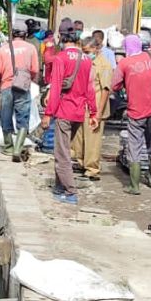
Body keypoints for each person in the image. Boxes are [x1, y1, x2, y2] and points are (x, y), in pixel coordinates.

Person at [112, 34, 151, 194]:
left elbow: (114, 86)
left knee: (134, 148)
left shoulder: (124, 63)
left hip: (136, 111)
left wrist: (127, 81)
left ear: (126, 48)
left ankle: (134, 186)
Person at [42, 32, 97, 204]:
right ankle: (59, 188)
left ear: (62, 40)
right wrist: (93, 112)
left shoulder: (60, 58)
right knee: (64, 149)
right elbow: (90, 88)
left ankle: (70, 191)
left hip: (64, 110)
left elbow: (57, 86)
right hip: (79, 112)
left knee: (62, 154)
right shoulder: (87, 59)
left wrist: (48, 114)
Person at [70, 37, 113, 181]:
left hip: (95, 108)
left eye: (87, 51)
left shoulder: (104, 65)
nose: (85, 53)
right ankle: (82, 163)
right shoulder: (84, 62)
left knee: (92, 141)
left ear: (96, 49)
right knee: (79, 139)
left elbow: (106, 90)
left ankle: (92, 169)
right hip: (82, 106)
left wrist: (99, 114)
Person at [0, 25, 39, 156]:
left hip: (6, 86)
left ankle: (8, 147)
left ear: (12, 35)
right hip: (23, 86)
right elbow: (35, 70)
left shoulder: (4, 48)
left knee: (5, 117)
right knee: (23, 118)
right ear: (25, 35)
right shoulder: (31, 48)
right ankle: (18, 150)